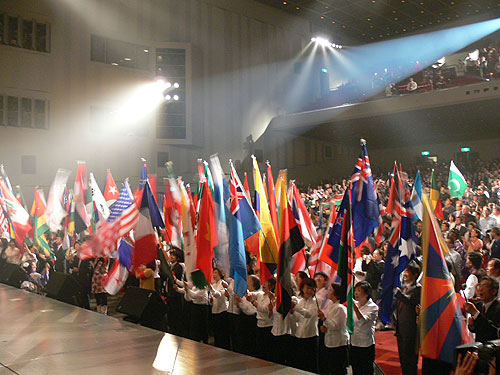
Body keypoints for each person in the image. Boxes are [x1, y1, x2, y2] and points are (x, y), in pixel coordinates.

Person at [395, 262, 421, 375]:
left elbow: (409, 301)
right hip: (400, 327)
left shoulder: (418, 288)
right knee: (403, 357)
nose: (405, 274)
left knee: (410, 357)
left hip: (410, 329)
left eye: (407, 272)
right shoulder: (403, 287)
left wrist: (397, 292)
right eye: (404, 271)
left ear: (415, 274)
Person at [318, 282, 349, 375]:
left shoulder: (340, 308)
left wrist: (324, 318)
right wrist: (324, 326)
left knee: (338, 368)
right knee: (331, 367)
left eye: (331, 290)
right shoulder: (331, 305)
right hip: (330, 341)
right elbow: (329, 323)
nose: (328, 292)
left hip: (338, 342)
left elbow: (336, 325)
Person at [290, 277, 319, 373]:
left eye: (311, 288)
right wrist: (292, 312)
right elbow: (297, 318)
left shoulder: (316, 302)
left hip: (310, 334)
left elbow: (309, 314)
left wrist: (296, 308)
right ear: (302, 288)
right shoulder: (300, 301)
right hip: (300, 333)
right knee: (300, 362)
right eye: (307, 288)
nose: (309, 291)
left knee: (311, 362)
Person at [350, 281, 379, 375]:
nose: (356, 293)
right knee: (356, 368)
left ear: (366, 294)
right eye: (355, 290)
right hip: (354, 342)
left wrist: (355, 309)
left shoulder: (373, 307)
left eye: (359, 290)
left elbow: (363, 321)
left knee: (366, 370)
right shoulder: (354, 304)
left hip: (365, 344)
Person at [464, 276, 500, 342]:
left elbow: (493, 330)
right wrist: (472, 325)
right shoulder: (478, 305)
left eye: (485, 286)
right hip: (479, 346)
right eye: (480, 286)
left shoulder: (498, 308)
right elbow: (476, 329)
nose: (480, 289)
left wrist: (475, 313)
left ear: (494, 291)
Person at [209, 267, 230, 349]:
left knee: (222, 331)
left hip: (222, 309)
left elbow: (219, 295)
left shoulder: (223, 283)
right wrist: (210, 300)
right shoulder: (214, 284)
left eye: (216, 273)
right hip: (215, 309)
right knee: (216, 330)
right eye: (213, 273)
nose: (214, 275)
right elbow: (212, 296)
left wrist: (211, 289)